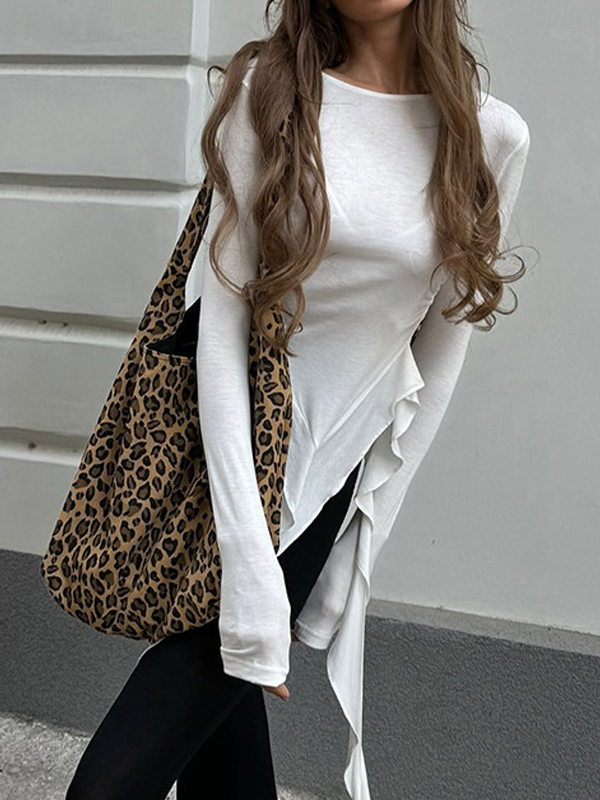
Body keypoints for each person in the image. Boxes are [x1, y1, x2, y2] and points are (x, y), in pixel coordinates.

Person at [66, 1, 532, 798]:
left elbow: (439, 356)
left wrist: (361, 545)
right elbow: (221, 320)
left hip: (324, 482)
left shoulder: (492, 137)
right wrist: (246, 552)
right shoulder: (269, 91)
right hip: (220, 465)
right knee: (187, 760)